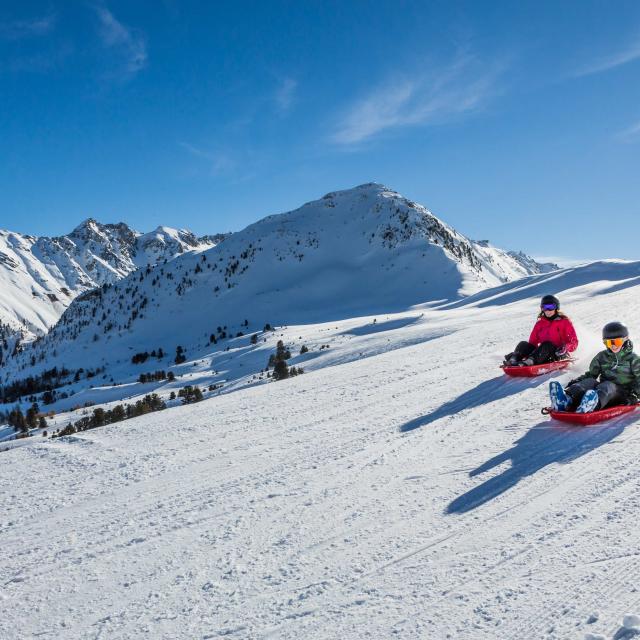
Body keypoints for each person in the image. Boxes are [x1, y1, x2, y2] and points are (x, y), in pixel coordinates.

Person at [549, 321, 640, 413]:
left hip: (623, 394)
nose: (613, 346)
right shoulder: (602, 356)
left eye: (616, 342)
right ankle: (566, 400)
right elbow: (591, 374)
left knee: (607, 385)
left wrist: (634, 396)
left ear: (626, 339)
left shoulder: (633, 359)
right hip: (603, 392)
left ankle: (592, 405)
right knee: (590, 382)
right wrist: (577, 382)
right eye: (608, 342)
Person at [503, 295, 578, 367]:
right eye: (545, 307)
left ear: (556, 307)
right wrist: (525, 353)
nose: (548, 310)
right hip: (542, 354)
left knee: (547, 344)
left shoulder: (564, 322)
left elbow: (574, 342)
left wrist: (565, 348)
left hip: (557, 354)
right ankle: (513, 359)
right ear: (542, 308)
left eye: (551, 307)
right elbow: (532, 343)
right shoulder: (539, 324)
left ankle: (530, 361)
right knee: (523, 344)